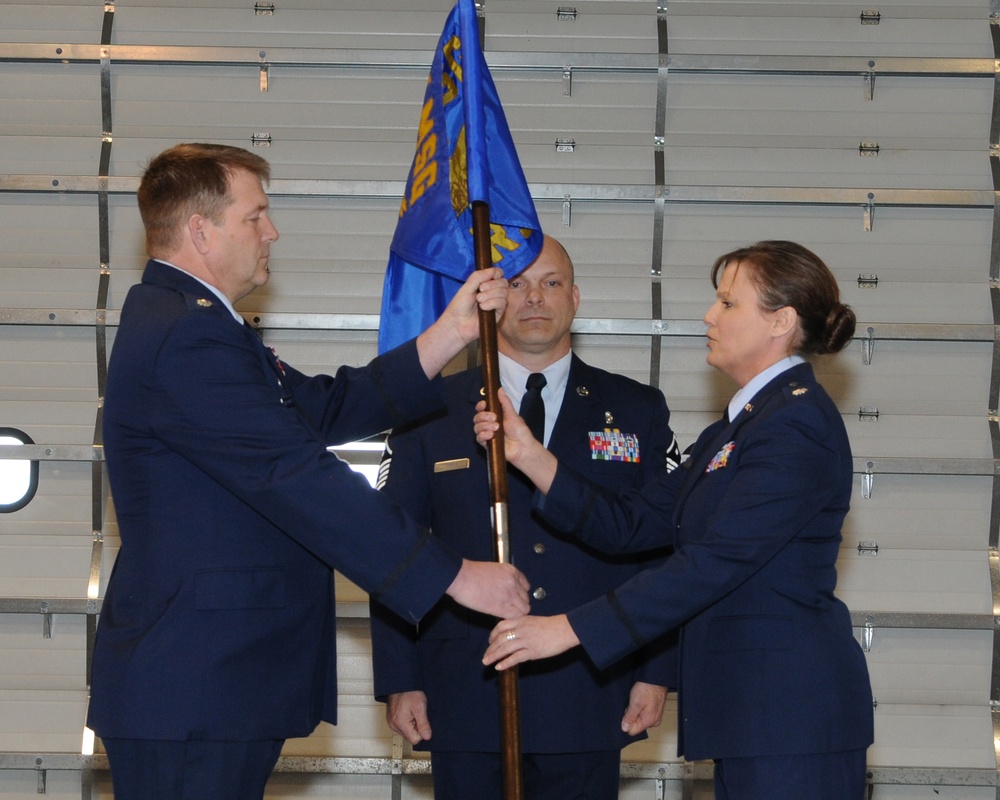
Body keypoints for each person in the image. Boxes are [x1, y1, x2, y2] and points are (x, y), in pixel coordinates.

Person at [87, 142, 531, 800]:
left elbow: (319, 407)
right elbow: (295, 474)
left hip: (209, 684)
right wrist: (454, 576)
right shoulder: (187, 336)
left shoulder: (197, 326)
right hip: (194, 687)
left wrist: (450, 333)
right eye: (255, 216)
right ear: (200, 230)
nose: (272, 232)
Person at [477, 240, 875, 800]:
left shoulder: (795, 425)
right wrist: (529, 456)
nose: (710, 317)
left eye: (728, 304)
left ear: (780, 321)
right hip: (754, 717)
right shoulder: (737, 429)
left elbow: (712, 563)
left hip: (790, 718)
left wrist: (566, 630)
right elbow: (635, 522)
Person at [369, 235, 681, 800]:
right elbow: (395, 546)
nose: (535, 298)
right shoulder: (430, 411)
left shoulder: (637, 410)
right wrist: (400, 679)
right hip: (464, 691)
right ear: (490, 298)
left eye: (552, 283)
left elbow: (662, 549)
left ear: (576, 298)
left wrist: (657, 669)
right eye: (516, 283)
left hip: (589, 687)